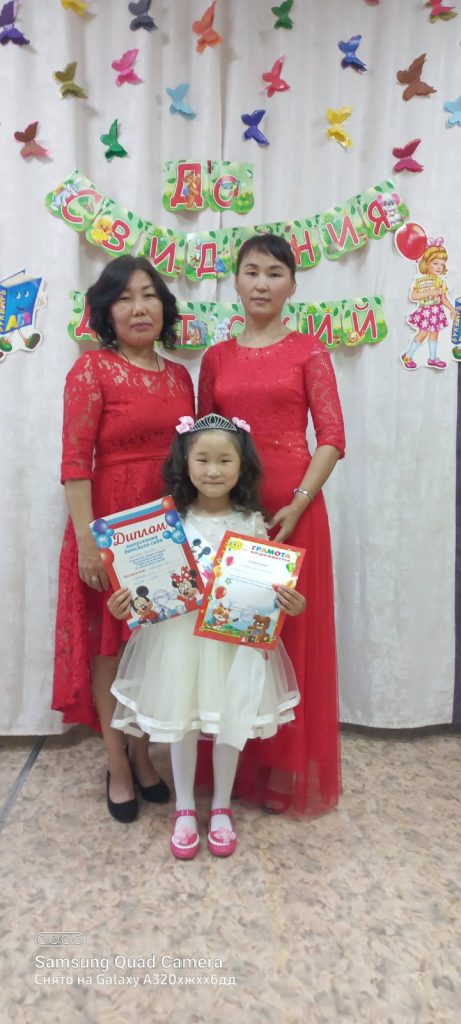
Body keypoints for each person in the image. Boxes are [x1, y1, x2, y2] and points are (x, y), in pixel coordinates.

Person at [107, 414, 306, 858]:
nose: (213, 470)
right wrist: (126, 602)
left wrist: (288, 603)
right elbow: (146, 584)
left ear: (242, 466)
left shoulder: (252, 522)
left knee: (230, 721)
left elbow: (267, 586)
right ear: (185, 463)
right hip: (177, 640)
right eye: (202, 459)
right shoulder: (166, 523)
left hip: (232, 643)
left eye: (224, 460)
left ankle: (220, 807)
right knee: (181, 721)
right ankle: (183, 806)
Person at [197, 233, 345, 817]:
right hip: (230, 510)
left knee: (285, 636)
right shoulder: (216, 358)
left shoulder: (309, 351)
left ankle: (282, 769)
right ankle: (234, 769)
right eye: (252, 272)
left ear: (292, 285)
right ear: (235, 281)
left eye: (275, 273)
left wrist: (300, 501)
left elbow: (332, 437)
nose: (262, 283)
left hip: (292, 513)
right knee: (232, 636)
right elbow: (202, 438)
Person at [52, 255, 195, 823]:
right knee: (110, 647)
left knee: (152, 645)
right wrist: (89, 544)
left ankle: (143, 753)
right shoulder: (91, 370)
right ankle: (116, 762)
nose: (139, 308)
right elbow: (74, 462)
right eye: (124, 298)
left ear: (164, 307)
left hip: (164, 528)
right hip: (109, 527)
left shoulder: (180, 376)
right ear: (106, 312)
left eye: (149, 295)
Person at [401, 240, 455, 371]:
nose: (439, 267)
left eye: (442, 264)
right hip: (425, 312)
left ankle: (432, 358)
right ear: (427, 263)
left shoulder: (441, 282)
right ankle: (408, 356)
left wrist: (451, 308)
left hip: (436, 312)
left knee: (434, 334)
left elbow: (443, 298)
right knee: (423, 333)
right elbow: (414, 296)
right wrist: (429, 292)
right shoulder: (420, 281)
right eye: (435, 263)